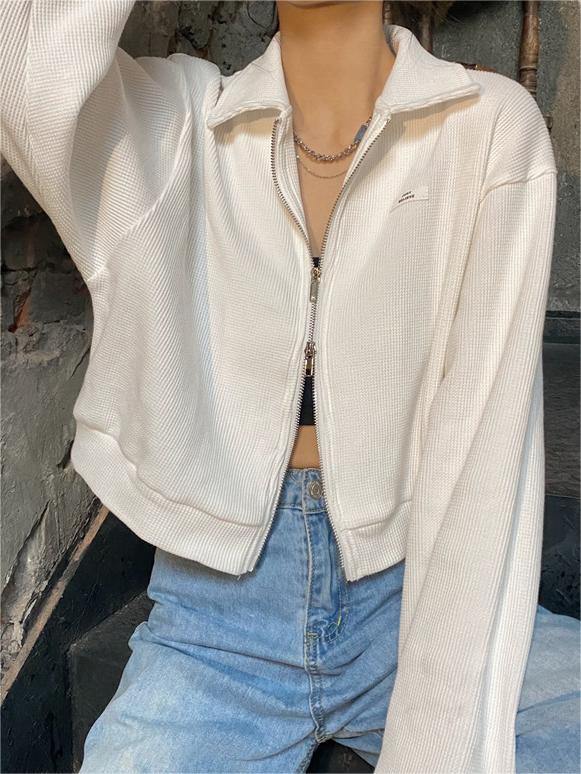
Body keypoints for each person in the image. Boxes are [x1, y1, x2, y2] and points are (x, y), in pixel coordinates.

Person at [1, 1, 579, 772]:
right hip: (213, 625)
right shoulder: (178, 129)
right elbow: (24, 64)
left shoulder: (487, 129)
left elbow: (484, 446)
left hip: (415, 587)